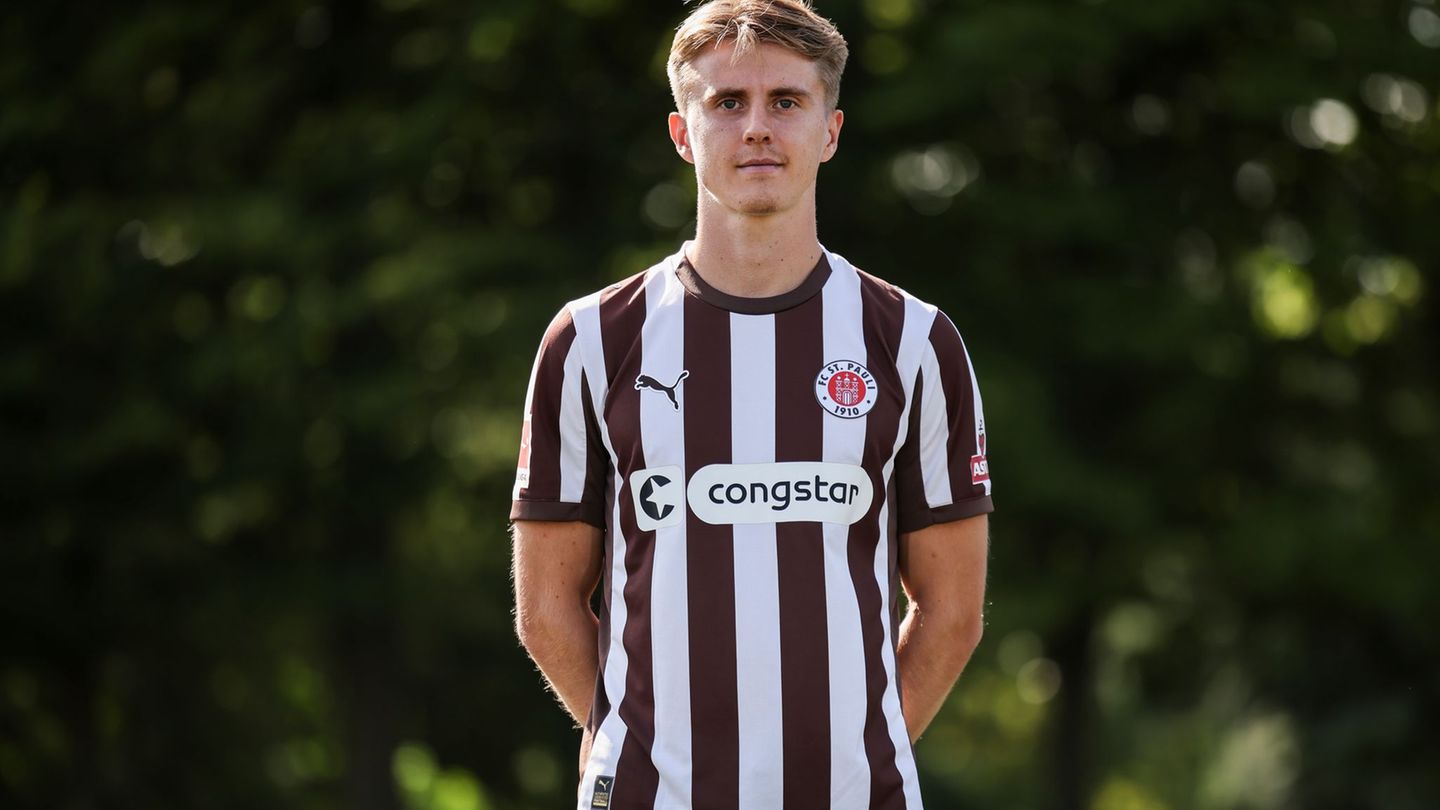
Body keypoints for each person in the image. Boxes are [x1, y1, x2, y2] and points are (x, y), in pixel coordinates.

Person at [510, 2, 992, 807]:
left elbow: (951, 611)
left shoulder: (914, 341)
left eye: (787, 102)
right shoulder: (591, 340)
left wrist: (858, 753)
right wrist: (624, 738)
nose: (757, 128)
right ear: (681, 132)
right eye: (728, 102)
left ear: (831, 131)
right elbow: (547, 604)